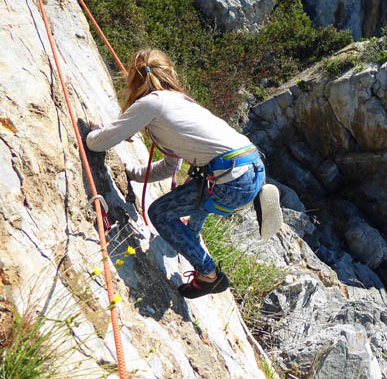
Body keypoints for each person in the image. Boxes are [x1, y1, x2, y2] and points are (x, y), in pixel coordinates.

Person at [86, 48, 283, 299]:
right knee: (199, 184)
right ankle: (237, 203)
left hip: (230, 179)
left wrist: (93, 133)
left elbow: (96, 144)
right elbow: (169, 167)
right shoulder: (184, 103)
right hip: (251, 163)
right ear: (170, 73)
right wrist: (132, 174)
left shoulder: (150, 104)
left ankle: (209, 275)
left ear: (134, 80)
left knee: (160, 213)